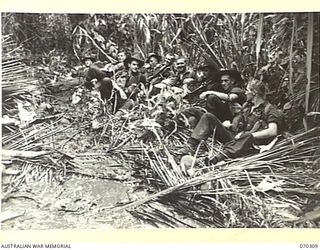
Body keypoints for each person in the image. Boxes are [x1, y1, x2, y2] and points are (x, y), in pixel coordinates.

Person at [182, 79, 283, 164]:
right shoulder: (247, 106)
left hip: (249, 144)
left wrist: (251, 135)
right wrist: (230, 126)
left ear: (254, 93)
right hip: (236, 138)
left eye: (247, 90)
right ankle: (190, 145)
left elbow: (273, 131)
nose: (245, 93)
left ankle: (217, 159)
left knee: (247, 136)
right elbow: (241, 124)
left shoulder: (270, 109)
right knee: (208, 116)